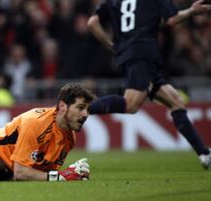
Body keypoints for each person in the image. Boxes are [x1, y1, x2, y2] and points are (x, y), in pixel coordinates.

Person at [87, 0, 211, 169]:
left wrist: (112, 46)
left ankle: (204, 154)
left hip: (129, 55)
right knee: (131, 104)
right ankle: (81, 109)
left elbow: (92, 23)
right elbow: (172, 19)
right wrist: (191, 11)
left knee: (175, 102)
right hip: (143, 53)